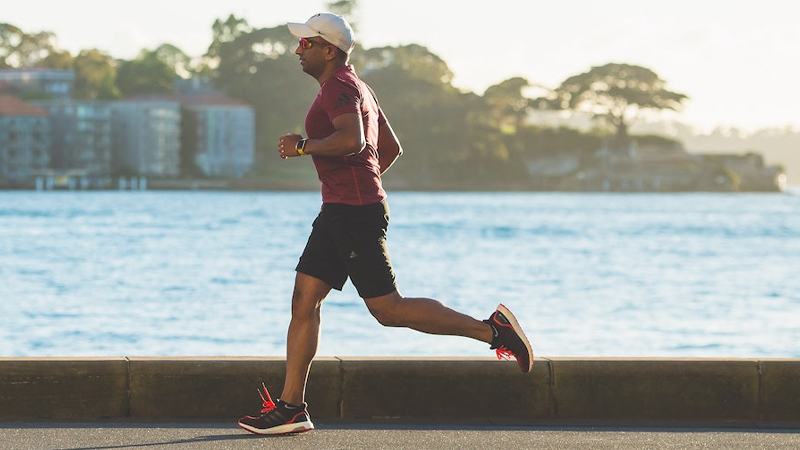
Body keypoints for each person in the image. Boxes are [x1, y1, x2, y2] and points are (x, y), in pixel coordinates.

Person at [237, 12, 533, 436]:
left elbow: (355, 141)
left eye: (307, 43)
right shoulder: (359, 87)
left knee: (388, 310)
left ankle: (494, 331)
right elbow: (389, 148)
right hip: (341, 211)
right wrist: (360, 183)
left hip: (352, 214)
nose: (298, 49)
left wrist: (304, 147)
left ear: (329, 50)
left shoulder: (340, 88)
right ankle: (291, 408)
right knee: (304, 300)